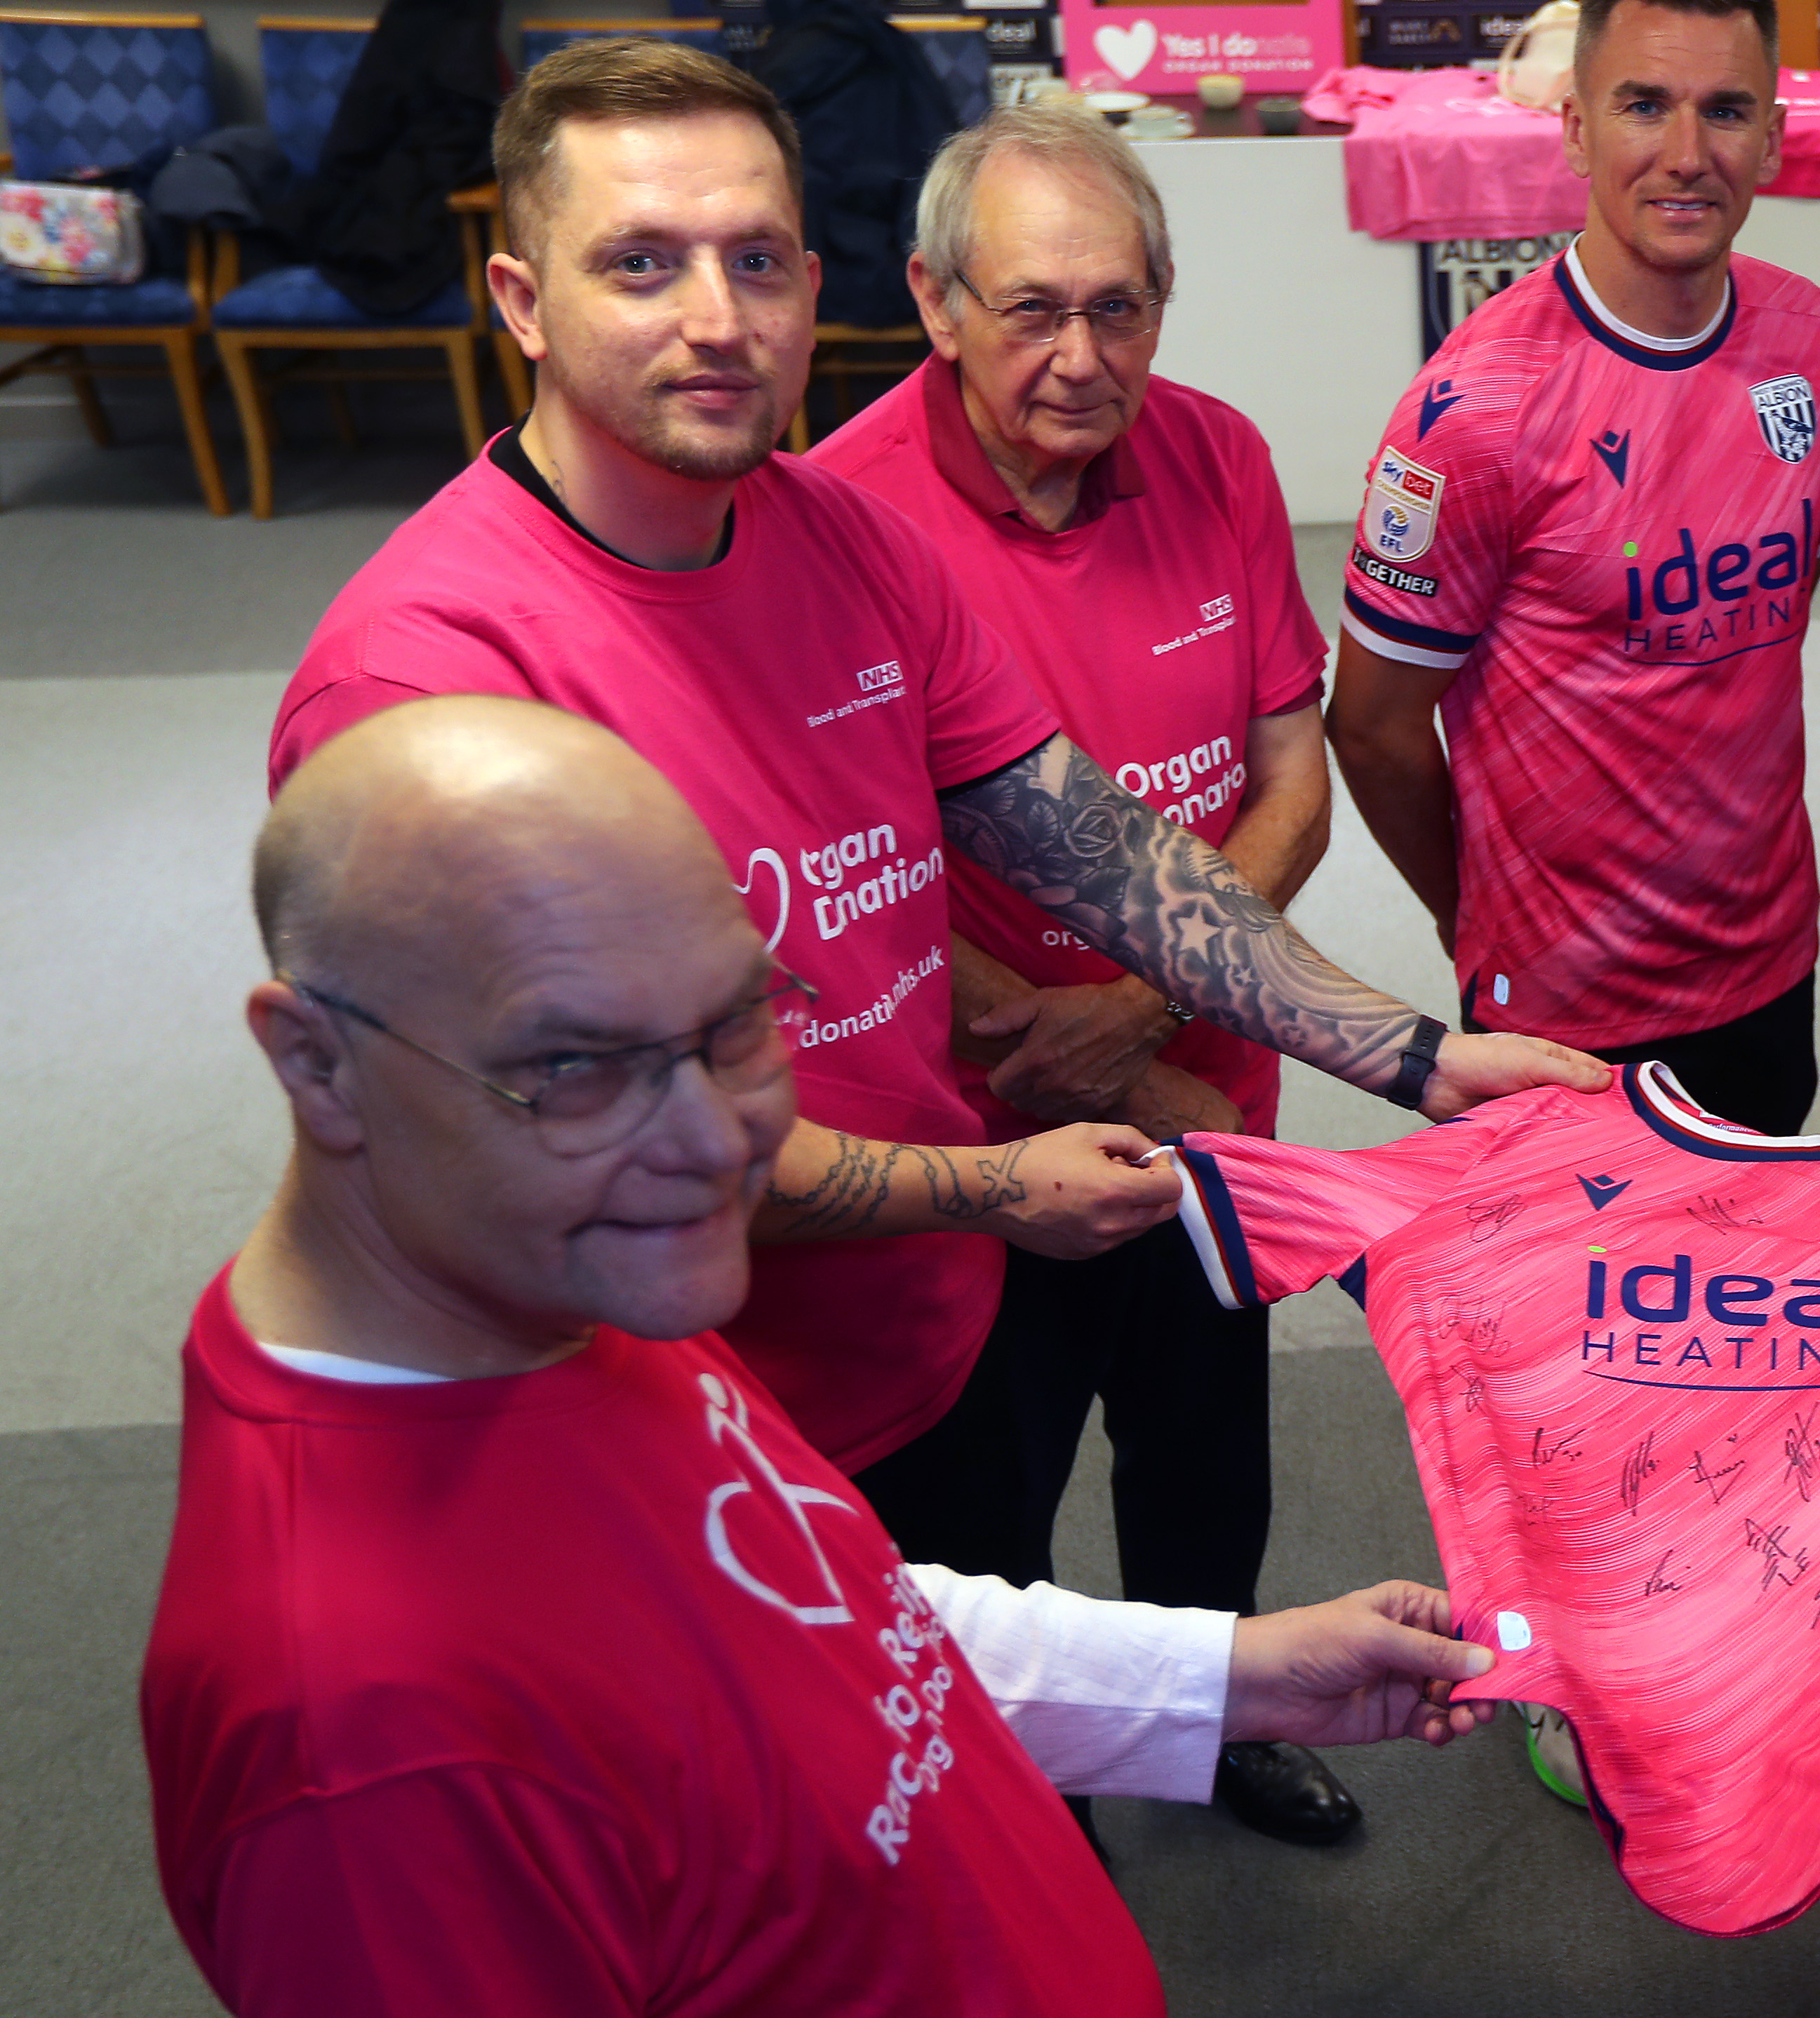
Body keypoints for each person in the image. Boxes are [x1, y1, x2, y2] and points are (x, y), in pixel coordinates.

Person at [266, 42, 1602, 1532]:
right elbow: (598, 1148)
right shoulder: (424, 684)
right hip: (671, 1417)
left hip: (927, 1329)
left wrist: (1417, 1057)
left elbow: (1101, 855)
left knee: (1008, 1726)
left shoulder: (847, 544)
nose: (716, 321)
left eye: (756, 260)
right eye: (640, 264)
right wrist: (990, 1187)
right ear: (523, 299)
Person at [146, 695, 1500, 2016]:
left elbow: (813, 1620)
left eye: (740, 1023)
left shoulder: (548, 1283)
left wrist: (1232, 1672)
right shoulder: (360, 1748)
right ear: (314, 1063)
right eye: (574, 1066)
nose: (716, 1141)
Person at [806, 98, 1353, 1845]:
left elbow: (1292, 779)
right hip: (981, 1143)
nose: (1078, 353)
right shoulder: (832, 522)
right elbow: (858, 883)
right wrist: (1100, 1050)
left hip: (1201, 1096)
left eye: (1117, 306)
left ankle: (1216, 1724)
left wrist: (1140, 1015)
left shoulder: (1219, 455)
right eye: (1030, 307)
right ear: (932, 300)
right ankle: (1029, 1802)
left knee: (1204, 1451)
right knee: (987, 1504)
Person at [1325, 0, 1820, 1137]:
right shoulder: (1475, 413)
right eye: (1643, 106)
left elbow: (1766, 628)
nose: (1687, 154)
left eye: (1726, 111)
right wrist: (1482, 915)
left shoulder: (1819, 348)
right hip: (1559, 1016)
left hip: (1770, 963)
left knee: (1753, 1307)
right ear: (1575, 130)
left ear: (1772, 138)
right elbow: (1368, 724)